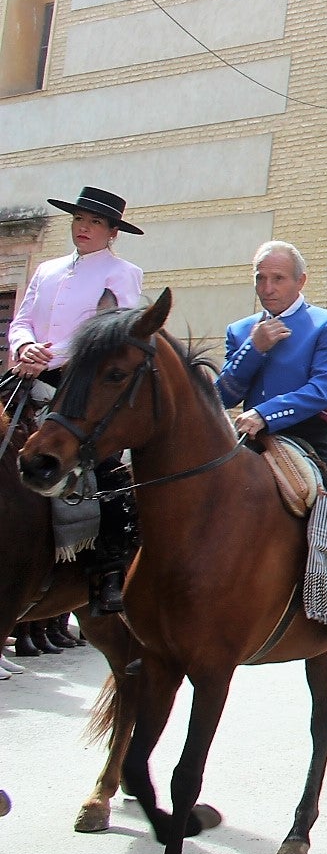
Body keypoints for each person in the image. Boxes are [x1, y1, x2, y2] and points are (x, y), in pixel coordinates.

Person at [218, 240, 327, 670]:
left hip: (312, 429)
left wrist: (265, 413)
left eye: (278, 278)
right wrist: (253, 348)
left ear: (300, 281)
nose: (267, 287)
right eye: (260, 278)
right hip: (248, 431)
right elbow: (223, 394)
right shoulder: (242, 330)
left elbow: (324, 389)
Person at [6, 186, 146, 615]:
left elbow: (114, 333)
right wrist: (24, 345)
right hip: (27, 374)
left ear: (112, 232)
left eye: (96, 222)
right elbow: (22, 319)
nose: (84, 228)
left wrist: (53, 353)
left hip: (82, 382)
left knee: (105, 468)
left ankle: (108, 568)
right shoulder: (47, 269)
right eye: (79, 219)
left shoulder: (122, 273)